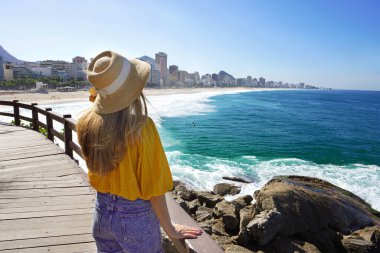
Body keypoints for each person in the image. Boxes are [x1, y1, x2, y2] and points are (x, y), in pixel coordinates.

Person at [77, 51, 202, 253]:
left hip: (101, 212)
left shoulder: (85, 123)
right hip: (134, 217)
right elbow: (153, 187)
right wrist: (169, 228)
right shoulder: (141, 128)